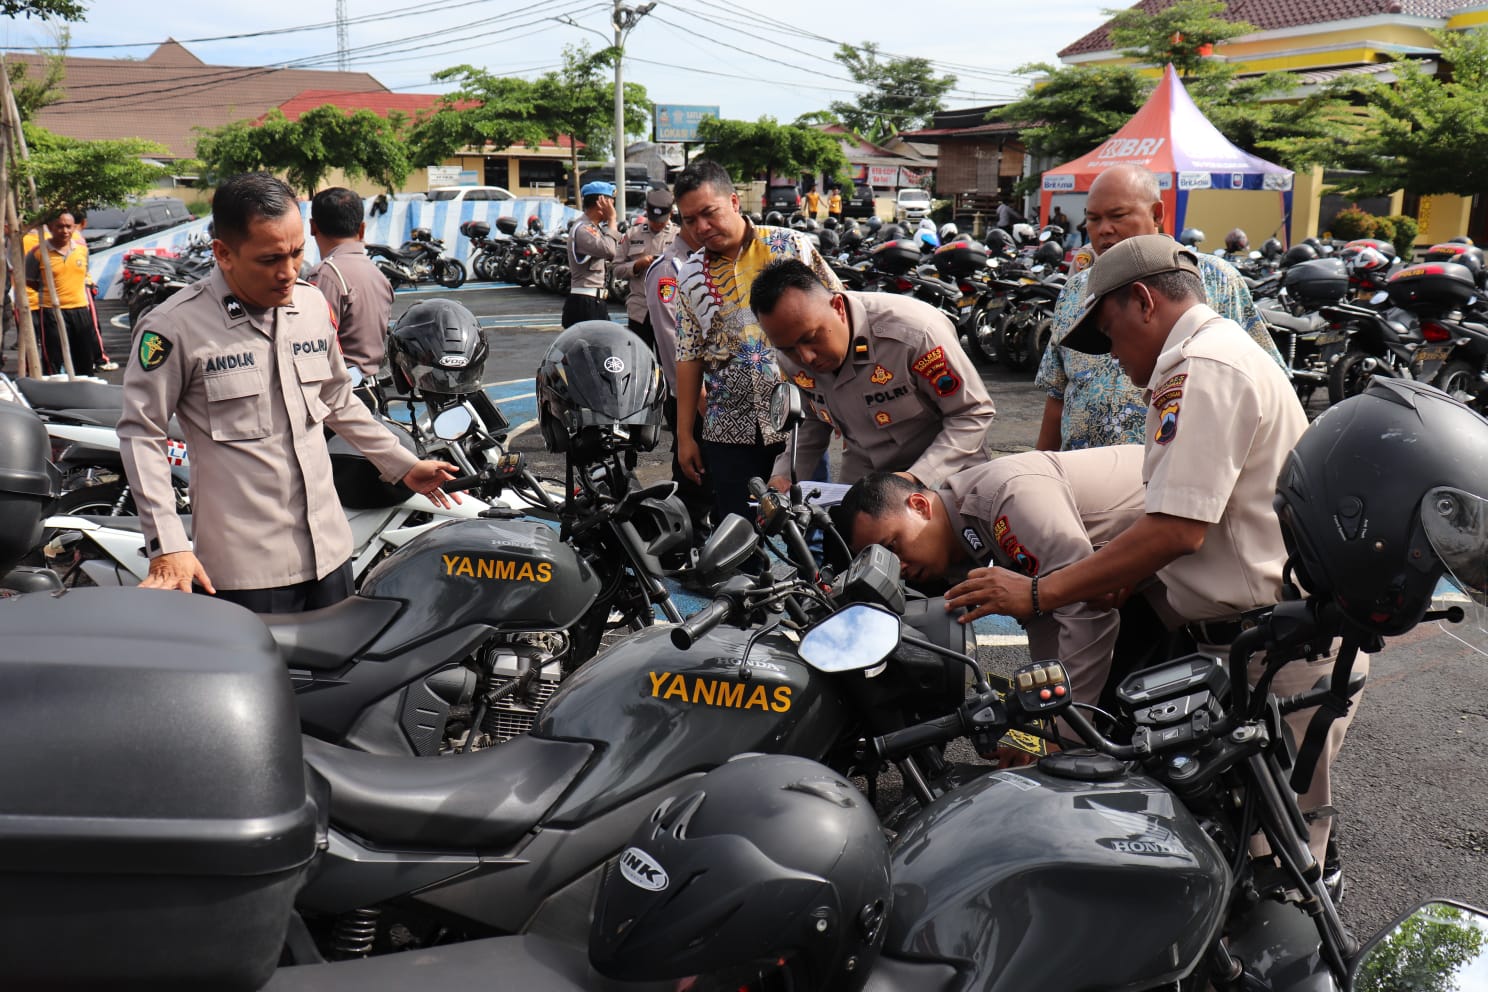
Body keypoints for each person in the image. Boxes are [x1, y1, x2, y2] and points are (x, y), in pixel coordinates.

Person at [950, 235, 1354, 860]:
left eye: (1110, 334)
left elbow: (1171, 534)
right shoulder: (1211, 355)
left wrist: (1039, 601)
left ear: (1143, 301)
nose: (1111, 355)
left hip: (1273, 641)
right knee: (1237, 827)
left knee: (1283, 854)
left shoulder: (1201, 367)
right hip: (1240, 631)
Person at [118, 172, 460, 614]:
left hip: (332, 554)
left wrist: (402, 465)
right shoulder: (175, 327)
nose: (288, 271)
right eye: (270, 259)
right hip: (247, 572)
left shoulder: (312, 305)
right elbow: (141, 433)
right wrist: (167, 543)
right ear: (223, 253)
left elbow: (337, 398)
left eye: (298, 252)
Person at [838, 446, 1178, 714]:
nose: (897, 568)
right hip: (1158, 581)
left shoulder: (1005, 497)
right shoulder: (963, 539)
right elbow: (1046, 617)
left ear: (919, 505)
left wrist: (1063, 734)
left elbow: (1085, 611)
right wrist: (1041, 722)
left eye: (892, 546)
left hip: (1200, 555)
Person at [1035, 164, 1284, 452]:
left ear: (1157, 214)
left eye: (1118, 216)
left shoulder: (1214, 278)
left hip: (1178, 476)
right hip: (1082, 482)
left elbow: (1261, 382)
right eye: (1093, 219)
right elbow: (1057, 398)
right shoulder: (1075, 291)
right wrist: (1042, 471)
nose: (1104, 229)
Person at [672, 159, 842, 526]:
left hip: (798, 419)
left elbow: (839, 313)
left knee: (814, 528)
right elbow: (688, 356)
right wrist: (686, 435)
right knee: (738, 534)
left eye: (709, 213)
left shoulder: (789, 246)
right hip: (726, 428)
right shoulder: (688, 276)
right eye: (689, 220)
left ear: (734, 202)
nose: (701, 227)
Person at [750, 258, 994, 491]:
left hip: (948, 472)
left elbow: (972, 413)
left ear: (837, 307)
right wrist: (782, 477)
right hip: (866, 473)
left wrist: (918, 477)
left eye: (811, 338)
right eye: (789, 349)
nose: (806, 358)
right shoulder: (789, 354)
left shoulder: (913, 334)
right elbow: (811, 422)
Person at [646, 221, 713, 531]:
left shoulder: (713, 260)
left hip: (720, 395)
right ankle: (689, 560)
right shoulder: (670, 269)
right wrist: (699, 401)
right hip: (694, 396)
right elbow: (675, 345)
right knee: (695, 483)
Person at [306, 186, 395, 376]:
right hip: (372, 384)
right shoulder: (377, 273)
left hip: (340, 392)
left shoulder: (326, 275)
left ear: (313, 227)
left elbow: (312, 346)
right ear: (362, 229)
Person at [25, 211, 97, 376]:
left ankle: (84, 393)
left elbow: (84, 274)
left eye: (68, 227)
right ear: (50, 227)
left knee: (85, 357)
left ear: (74, 227)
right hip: (52, 311)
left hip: (80, 309)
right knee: (54, 359)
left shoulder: (82, 250)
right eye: (60, 226)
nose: (64, 231)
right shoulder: (38, 252)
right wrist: (51, 294)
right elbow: (30, 280)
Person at [612, 188, 677, 351]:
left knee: (670, 363)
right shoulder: (632, 235)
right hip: (640, 311)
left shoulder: (680, 236)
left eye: (662, 219)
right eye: (654, 219)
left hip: (669, 311)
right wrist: (636, 265)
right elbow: (616, 269)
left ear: (671, 214)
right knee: (640, 361)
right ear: (646, 211)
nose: (657, 224)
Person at [563, 180, 621, 328]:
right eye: (610, 203)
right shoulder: (583, 229)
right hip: (585, 302)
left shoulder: (594, 228)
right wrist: (612, 219)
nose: (613, 207)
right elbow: (610, 250)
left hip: (593, 301)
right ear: (601, 203)